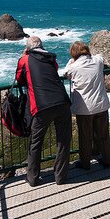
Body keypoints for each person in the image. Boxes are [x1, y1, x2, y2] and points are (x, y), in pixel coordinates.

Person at [16, 36, 72, 186]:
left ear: (28, 49)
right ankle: (60, 177)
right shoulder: (50, 58)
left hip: (42, 106)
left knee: (36, 143)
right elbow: (53, 70)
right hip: (62, 101)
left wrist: (23, 56)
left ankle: (33, 178)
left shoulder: (25, 59)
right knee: (63, 141)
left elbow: (19, 78)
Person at [64, 41, 110, 170]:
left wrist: (71, 62)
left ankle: (85, 163)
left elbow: (65, 73)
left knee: (85, 137)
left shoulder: (74, 67)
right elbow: (102, 60)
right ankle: (107, 159)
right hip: (101, 104)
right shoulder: (98, 61)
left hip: (84, 108)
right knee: (103, 135)